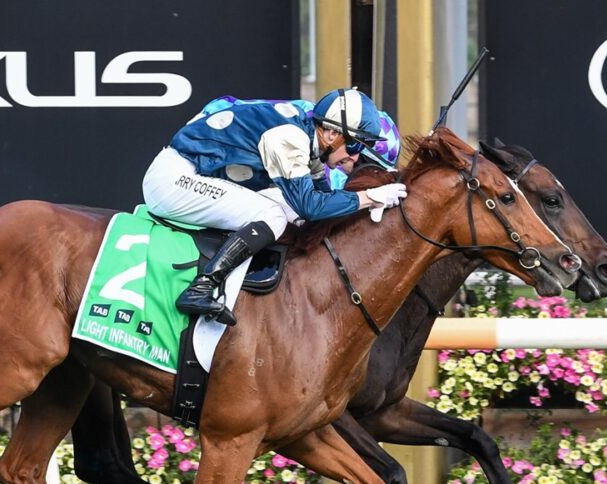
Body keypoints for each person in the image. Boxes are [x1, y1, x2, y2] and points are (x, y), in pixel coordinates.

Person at [142, 88, 408, 324]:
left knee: (289, 214)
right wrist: (371, 197)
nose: (354, 156)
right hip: (173, 180)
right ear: (329, 132)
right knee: (273, 214)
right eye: (353, 145)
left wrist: (367, 208)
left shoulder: (310, 145)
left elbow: (320, 208)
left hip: (193, 176)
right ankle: (201, 287)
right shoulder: (289, 138)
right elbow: (311, 206)